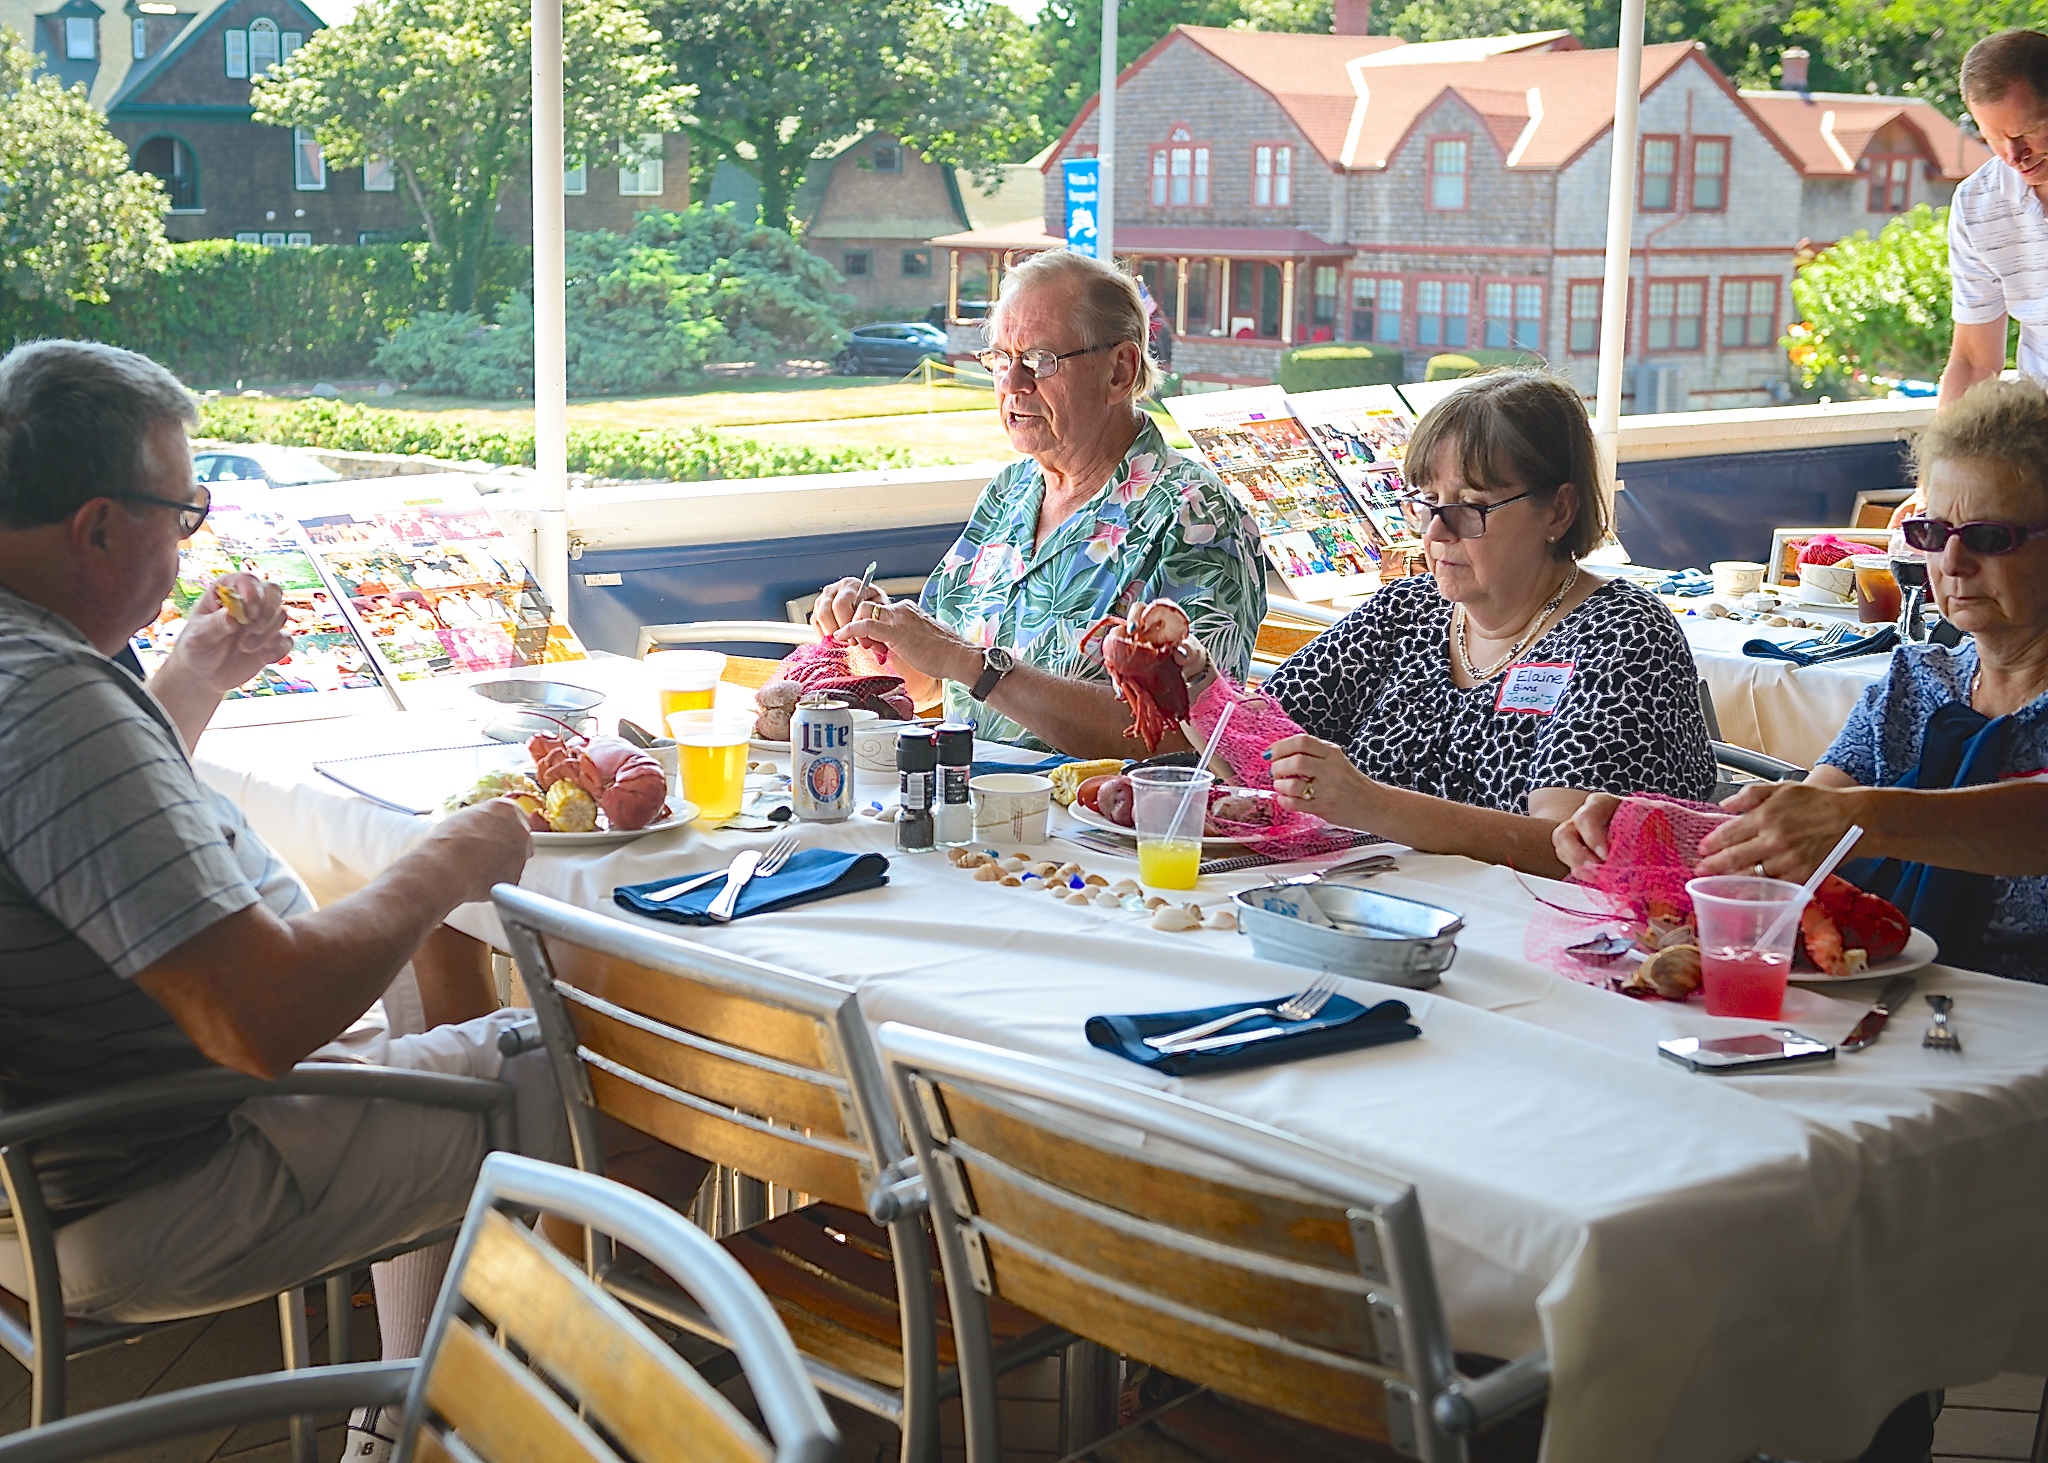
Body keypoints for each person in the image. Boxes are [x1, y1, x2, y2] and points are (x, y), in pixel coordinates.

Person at [0, 341, 690, 1461]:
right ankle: (523, 1431)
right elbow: (260, 1016)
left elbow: (85, 850)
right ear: (97, 527)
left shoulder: (33, 667)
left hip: (66, 1158)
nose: (190, 543)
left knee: (432, 1017)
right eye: (184, 514)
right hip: (170, 1170)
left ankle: (401, 1428)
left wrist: (188, 682)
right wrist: (443, 864)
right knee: (644, 1086)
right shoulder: (53, 699)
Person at [1558, 376, 2048, 982]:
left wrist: (1868, 818)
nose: (1951, 563)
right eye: (1933, 533)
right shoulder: (1916, 683)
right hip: (1896, 1005)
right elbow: (1791, 828)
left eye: (1989, 537)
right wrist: (1646, 826)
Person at [1198, 369, 1715, 876]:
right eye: (1426, 503)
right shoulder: (1405, 610)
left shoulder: (1621, 635)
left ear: (1558, 511)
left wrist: (1371, 804)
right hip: (1373, 908)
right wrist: (1191, 682)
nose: (1438, 532)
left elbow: (1569, 851)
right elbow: (1257, 747)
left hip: (1531, 932)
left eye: (1471, 507)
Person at [808, 249, 1265, 756]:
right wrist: (879, 634)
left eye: (1040, 361)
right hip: (974, 799)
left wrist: (972, 664)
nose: (1011, 384)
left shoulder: (1196, 515)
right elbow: (931, 685)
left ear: (1119, 371)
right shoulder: (1012, 491)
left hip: (1095, 822)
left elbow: (1192, 734)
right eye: (1001, 359)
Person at [1941, 30, 2048, 408]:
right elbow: (1973, 362)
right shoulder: (1978, 204)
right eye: (1993, 139)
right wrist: (1941, 464)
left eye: (2027, 132)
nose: (2013, 155)